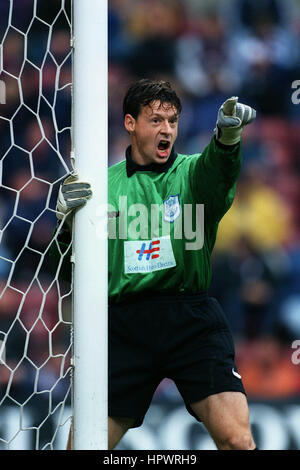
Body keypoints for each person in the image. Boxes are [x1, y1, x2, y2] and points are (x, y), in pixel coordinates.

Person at [55, 79, 257, 450]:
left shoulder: (194, 174)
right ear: (130, 123)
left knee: (237, 440)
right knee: (81, 448)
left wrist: (227, 139)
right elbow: (67, 266)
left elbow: (219, 169)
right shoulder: (101, 186)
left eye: (173, 121)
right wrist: (66, 224)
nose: (167, 130)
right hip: (123, 327)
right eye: (156, 121)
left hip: (190, 320)